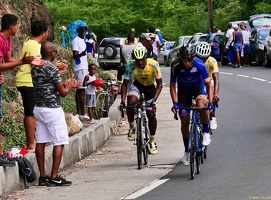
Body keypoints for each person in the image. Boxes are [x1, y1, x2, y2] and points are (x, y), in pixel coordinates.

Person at [31, 41, 80, 187]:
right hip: (52, 110)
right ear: (52, 52)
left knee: (41, 141)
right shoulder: (52, 69)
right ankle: (54, 176)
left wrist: (64, 84)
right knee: (59, 141)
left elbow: (49, 87)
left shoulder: (35, 67)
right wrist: (69, 86)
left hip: (39, 109)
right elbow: (63, 93)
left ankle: (43, 177)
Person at [0, 14, 36, 167]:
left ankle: (1, 153)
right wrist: (22, 61)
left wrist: (27, 61)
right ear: (12, 26)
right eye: (18, 25)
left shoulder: (7, 40)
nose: (18, 28)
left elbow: (8, 61)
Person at [170, 45, 214, 165]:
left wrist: (210, 102)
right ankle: (187, 151)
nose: (188, 63)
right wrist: (175, 103)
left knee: (201, 106)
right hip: (184, 93)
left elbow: (209, 84)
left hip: (198, 89)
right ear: (181, 58)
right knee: (184, 120)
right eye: (185, 60)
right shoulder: (175, 66)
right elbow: (173, 86)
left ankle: (205, 132)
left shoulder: (200, 64)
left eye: (190, 60)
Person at [120, 45, 163, 155]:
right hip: (138, 86)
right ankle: (132, 127)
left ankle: (152, 141)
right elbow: (124, 85)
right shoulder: (130, 65)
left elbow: (159, 84)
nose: (140, 63)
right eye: (138, 60)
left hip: (151, 88)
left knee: (151, 114)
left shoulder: (154, 65)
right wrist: (122, 101)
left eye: (142, 60)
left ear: (146, 57)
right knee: (130, 103)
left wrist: (154, 100)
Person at [15, 20, 49, 152]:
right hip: (27, 81)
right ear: (43, 32)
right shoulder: (34, 45)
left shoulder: (29, 42)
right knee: (30, 113)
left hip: (26, 80)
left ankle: (34, 141)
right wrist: (54, 67)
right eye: (47, 32)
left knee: (32, 112)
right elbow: (37, 64)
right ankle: (31, 144)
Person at [195, 42, 220, 130]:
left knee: (211, 95)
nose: (203, 60)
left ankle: (212, 116)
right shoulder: (193, 60)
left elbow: (216, 78)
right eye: (200, 58)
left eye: (205, 58)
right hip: (197, 81)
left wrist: (215, 94)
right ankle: (196, 118)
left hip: (209, 80)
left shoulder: (212, 61)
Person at [71, 22, 90, 120]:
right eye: (82, 29)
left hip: (84, 67)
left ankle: (80, 113)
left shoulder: (83, 40)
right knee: (81, 91)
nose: (83, 31)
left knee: (80, 90)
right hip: (80, 67)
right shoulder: (76, 40)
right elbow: (74, 55)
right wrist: (81, 55)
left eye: (85, 29)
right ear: (78, 30)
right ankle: (82, 113)